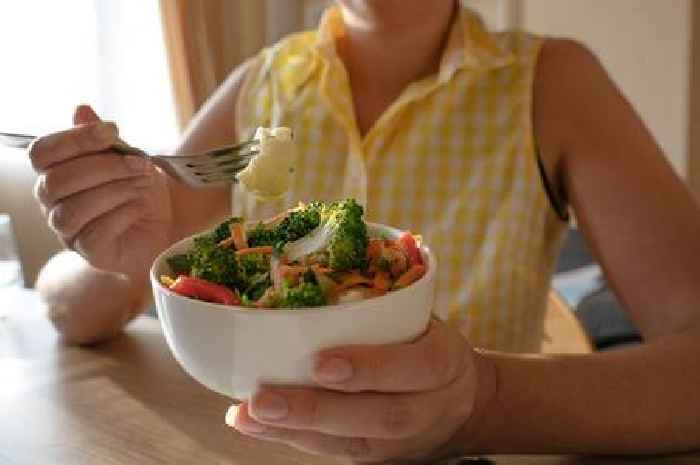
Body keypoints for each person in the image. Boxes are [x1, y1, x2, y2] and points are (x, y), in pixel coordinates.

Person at [30, 0, 700, 462]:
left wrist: (480, 400)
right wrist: (120, 249)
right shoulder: (256, 86)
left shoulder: (554, 84)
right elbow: (68, 301)